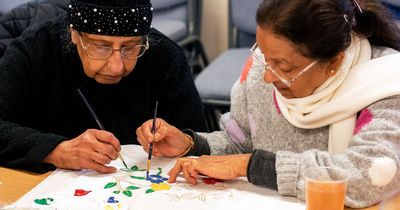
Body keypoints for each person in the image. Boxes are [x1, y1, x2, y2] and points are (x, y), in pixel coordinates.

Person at [136, 0, 400, 208]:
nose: (267, 76)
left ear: (334, 63)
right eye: (263, 56)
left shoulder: (386, 84)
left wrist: (250, 166)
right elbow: (240, 142)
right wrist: (192, 144)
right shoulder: (264, 66)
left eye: (284, 66)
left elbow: (368, 176)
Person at [0, 0, 207, 174]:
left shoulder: (166, 58)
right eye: (101, 46)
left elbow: (201, 142)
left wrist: (186, 142)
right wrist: (56, 150)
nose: (117, 67)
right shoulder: (34, 51)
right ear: (74, 33)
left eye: (130, 47)